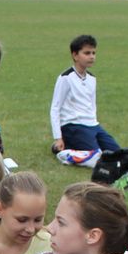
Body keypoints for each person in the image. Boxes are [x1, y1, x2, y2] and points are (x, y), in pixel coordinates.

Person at [50, 34, 120, 167]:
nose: (92, 56)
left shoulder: (92, 78)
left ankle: (70, 146)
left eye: (94, 53)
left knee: (117, 153)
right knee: (97, 159)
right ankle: (64, 153)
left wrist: (94, 123)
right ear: (75, 55)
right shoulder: (66, 78)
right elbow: (55, 108)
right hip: (73, 126)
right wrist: (58, 137)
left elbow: (92, 105)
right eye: (87, 53)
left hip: (93, 125)